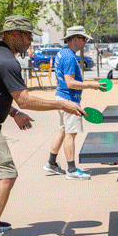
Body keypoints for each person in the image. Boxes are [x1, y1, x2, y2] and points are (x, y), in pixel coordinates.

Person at [0, 15, 85, 236]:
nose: (30, 41)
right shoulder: (7, 61)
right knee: (7, 174)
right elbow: (25, 99)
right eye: (27, 36)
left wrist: (13, 113)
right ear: (13, 34)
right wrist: (62, 104)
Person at [44, 26, 106, 181]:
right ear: (76, 38)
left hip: (61, 98)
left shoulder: (61, 53)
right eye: (84, 39)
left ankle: (51, 163)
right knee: (71, 134)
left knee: (63, 130)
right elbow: (70, 83)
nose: (85, 42)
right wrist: (93, 85)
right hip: (69, 100)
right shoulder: (70, 57)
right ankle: (71, 170)